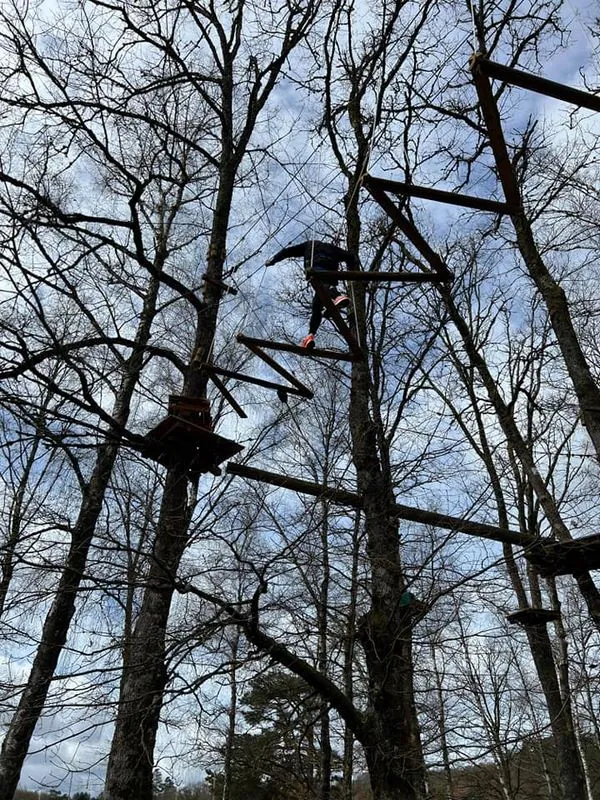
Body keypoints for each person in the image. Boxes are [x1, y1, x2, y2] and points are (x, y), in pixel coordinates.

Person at [265, 238, 357, 349]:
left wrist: (273, 260)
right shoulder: (333, 248)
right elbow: (350, 257)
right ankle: (310, 335)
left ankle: (337, 296)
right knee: (316, 305)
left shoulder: (310, 244)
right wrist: (353, 273)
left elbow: (288, 251)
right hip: (331, 273)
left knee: (322, 285)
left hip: (317, 267)